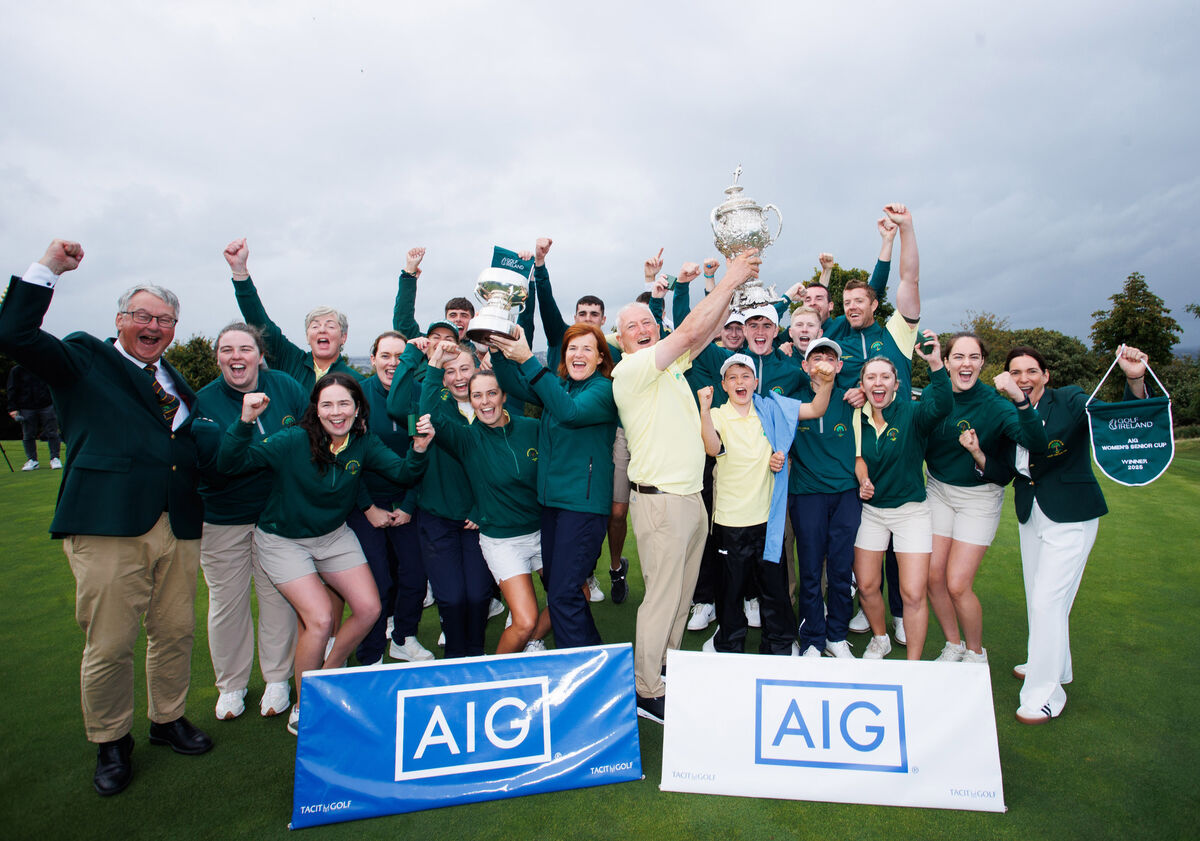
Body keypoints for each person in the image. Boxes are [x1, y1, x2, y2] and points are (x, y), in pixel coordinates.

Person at [0, 239, 211, 797]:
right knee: (111, 642)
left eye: (165, 320)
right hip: (108, 524)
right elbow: (14, 335)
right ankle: (111, 742)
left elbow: (183, 444)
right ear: (120, 320)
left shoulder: (175, 381)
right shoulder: (84, 358)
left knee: (175, 631)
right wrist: (48, 268)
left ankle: (167, 720)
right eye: (142, 316)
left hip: (178, 523)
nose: (154, 326)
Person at [216, 373, 432, 736]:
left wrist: (420, 446)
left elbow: (403, 472)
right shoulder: (291, 440)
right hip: (282, 539)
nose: (337, 412)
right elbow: (230, 465)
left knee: (370, 609)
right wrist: (244, 423)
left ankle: (328, 674)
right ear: (315, 410)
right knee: (318, 620)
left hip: (332, 536)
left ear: (358, 408)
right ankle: (305, 704)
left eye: (345, 403)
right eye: (327, 404)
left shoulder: (362, 442)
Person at [612, 248, 760, 723]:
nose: (643, 328)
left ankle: (663, 668)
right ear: (620, 340)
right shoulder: (632, 371)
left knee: (681, 595)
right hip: (660, 504)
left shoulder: (670, 370)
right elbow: (692, 330)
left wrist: (732, 286)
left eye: (646, 322)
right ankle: (644, 688)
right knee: (661, 598)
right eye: (632, 325)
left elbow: (708, 329)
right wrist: (730, 275)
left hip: (690, 500)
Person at [967, 344, 1150, 724]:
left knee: (1048, 600)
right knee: (1043, 597)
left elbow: (1115, 418)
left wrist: (1134, 379)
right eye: (1015, 372)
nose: (1023, 379)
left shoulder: (1069, 399)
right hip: (1031, 514)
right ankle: (1054, 664)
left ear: (1046, 376)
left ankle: (1045, 694)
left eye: (1031, 371)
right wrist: (978, 454)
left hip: (1071, 514)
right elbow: (1004, 471)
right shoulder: (1007, 412)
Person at [191, 323, 308, 721]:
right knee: (228, 602)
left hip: (276, 515)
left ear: (260, 355)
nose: (236, 356)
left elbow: (308, 438)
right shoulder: (205, 400)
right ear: (218, 357)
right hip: (224, 516)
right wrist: (243, 423)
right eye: (227, 350)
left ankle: (277, 679)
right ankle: (232, 685)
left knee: (277, 596)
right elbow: (219, 466)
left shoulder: (286, 386)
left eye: (245, 348)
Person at [490, 323, 619, 648]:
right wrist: (497, 350)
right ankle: (594, 661)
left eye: (587, 349)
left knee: (562, 593)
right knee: (563, 592)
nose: (578, 354)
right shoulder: (559, 385)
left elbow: (569, 413)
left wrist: (529, 360)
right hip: (552, 507)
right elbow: (513, 384)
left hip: (583, 509)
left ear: (601, 356)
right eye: (572, 348)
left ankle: (578, 669)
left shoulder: (603, 389)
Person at [924, 333, 1048, 664]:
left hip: (979, 498)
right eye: (959, 357)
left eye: (973, 357)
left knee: (958, 583)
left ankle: (976, 653)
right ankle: (953, 644)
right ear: (947, 362)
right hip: (937, 490)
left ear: (982, 363)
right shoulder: (934, 398)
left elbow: (1036, 442)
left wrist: (1020, 402)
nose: (966, 363)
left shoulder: (996, 405)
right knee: (932, 577)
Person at [698, 353, 833, 655]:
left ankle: (780, 644)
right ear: (723, 385)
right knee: (730, 592)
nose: (739, 382)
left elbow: (815, 408)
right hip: (729, 522)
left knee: (774, 589)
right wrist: (705, 410)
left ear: (756, 382)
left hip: (767, 523)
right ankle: (729, 644)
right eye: (732, 378)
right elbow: (711, 447)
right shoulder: (717, 414)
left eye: (745, 376)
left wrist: (825, 384)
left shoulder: (771, 408)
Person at [422, 354, 549, 654]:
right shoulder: (466, 439)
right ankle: (493, 677)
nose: (485, 401)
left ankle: (533, 642)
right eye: (476, 396)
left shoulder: (532, 428)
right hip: (504, 541)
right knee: (525, 619)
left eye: (492, 393)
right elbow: (430, 414)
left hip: (543, 533)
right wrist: (432, 367)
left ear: (504, 395)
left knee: (575, 594)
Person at [387, 334, 494, 658]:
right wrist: (429, 360)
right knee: (450, 597)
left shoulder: (489, 406)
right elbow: (396, 406)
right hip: (436, 518)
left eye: (465, 368)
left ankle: (474, 653)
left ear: (477, 369)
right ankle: (455, 660)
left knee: (478, 596)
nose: (459, 377)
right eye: (450, 371)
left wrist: (480, 508)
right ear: (441, 377)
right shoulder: (428, 406)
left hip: (479, 519)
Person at [852, 333, 951, 661]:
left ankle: (913, 665)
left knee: (911, 592)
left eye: (885, 377)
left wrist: (936, 364)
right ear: (863, 384)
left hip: (911, 512)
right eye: (871, 377)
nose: (877, 383)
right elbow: (858, 458)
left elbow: (943, 405)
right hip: (873, 512)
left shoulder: (913, 412)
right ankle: (880, 638)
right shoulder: (857, 416)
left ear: (896, 384)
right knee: (866, 585)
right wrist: (864, 480)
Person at [345, 331, 434, 666]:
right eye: (385, 355)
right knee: (378, 581)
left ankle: (403, 638)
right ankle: (369, 653)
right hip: (364, 504)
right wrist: (369, 508)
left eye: (400, 356)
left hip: (408, 502)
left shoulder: (416, 396)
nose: (393, 363)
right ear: (373, 359)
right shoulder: (359, 398)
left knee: (413, 574)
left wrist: (408, 505)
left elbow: (422, 453)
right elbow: (350, 460)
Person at [786, 338, 863, 658]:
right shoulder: (793, 401)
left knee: (842, 570)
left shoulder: (851, 398)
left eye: (829, 358)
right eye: (815, 358)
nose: (822, 362)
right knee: (811, 570)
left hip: (846, 495)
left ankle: (836, 635)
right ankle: (813, 638)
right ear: (805, 366)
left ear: (839, 365)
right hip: (807, 495)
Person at [222, 238, 363, 389]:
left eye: (330, 326)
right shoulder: (290, 361)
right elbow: (260, 324)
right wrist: (240, 271)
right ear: (308, 336)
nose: (322, 329)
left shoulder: (358, 383)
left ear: (343, 337)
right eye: (315, 326)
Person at [6, 362, 62, 469]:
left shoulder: (44, 367)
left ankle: (55, 458)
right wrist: (12, 408)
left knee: (52, 432)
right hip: (26, 406)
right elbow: (12, 389)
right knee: (28, 434)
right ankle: (32, 460)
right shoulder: (17, 370)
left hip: (46, 404)